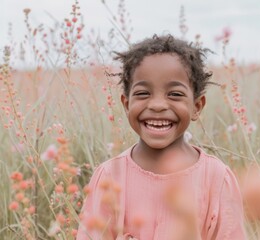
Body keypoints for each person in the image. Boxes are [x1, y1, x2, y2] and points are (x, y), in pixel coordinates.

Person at [76, 34, 246, 240]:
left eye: (174, 94)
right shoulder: (110, 177)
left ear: (197, 106)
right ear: (127, 104)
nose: (157, 105)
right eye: (143, 93)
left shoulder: (217, 178)